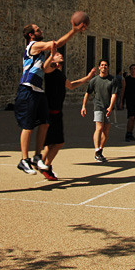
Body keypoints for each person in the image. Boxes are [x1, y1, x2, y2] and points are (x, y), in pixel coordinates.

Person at [15, 19, 89, 175]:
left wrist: (53, 54)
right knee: (28, 126)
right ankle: (24, 159)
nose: (40, 30)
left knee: (45, 123)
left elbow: (46, 65)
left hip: (37, 90)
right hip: (27, 89)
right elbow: (57, 43)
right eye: (37, 29)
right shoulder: (33, 46)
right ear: (31, 35)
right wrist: (74, 31)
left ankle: (36, 157)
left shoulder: (41, 55)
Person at [38, 49, 95, 180]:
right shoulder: (49, 71)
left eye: (59, 53)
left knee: (51, 143)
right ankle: (45, 166)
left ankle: (42, 163)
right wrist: (52, 54)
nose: (60, 54)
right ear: (52, 59)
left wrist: (87, 78)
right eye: (57, 55)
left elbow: (71, 85)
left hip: (57, 112)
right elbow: (45, 66)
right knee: (58, 143)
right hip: (50, 112)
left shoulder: (60, 74)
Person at [81, 59, 118, 162]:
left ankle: (100, 149)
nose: (104, 67)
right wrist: (83, 106)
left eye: (105, 65)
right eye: (102, 65)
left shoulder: (112, 80)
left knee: (106, 131)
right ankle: (97, 150)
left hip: (108, 108)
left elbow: (114, 94)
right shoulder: (94, 80)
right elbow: (88, 93)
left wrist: (111, 107)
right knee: (99, 128)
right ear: (99, 67)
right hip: (98, 107)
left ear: (108, 67)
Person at [123, 63, 135, 141]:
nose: (133, 70)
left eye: (134, 69)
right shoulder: (126, 80)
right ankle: (127, 134)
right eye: (131, 69)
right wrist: (121, 102)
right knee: (131, 117)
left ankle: (131, 133)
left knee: (134, 118)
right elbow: (123, 91)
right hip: (129, 100)